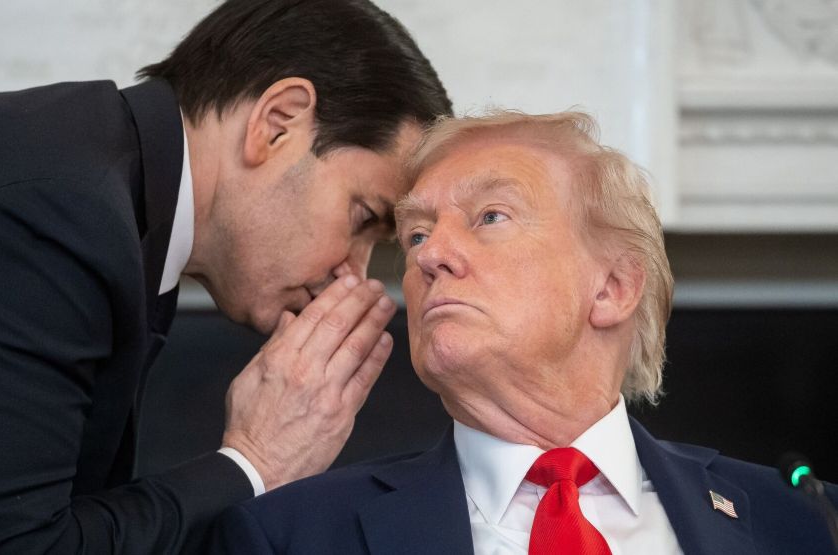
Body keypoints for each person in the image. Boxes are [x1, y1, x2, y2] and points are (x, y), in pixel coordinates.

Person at [0, 0, 452, 552]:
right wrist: (254, 461)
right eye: (362, 218)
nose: (352, 275)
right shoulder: (56, 213)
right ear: (278, 122)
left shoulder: (99, 185)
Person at [213, 110, 838, 554]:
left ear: (612, 288)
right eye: (417, 235)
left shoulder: (804, 522)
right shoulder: (295, 535)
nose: (429, 257)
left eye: (490, 216)